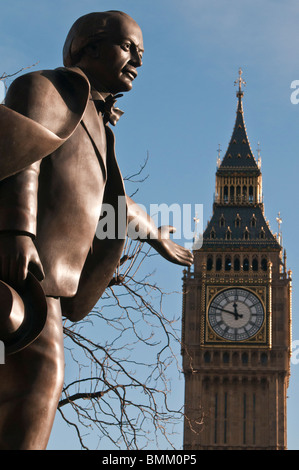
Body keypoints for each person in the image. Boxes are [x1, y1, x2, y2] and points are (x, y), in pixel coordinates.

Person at [0, 11, 193, 450]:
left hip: (48, 282)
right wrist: (17, 232)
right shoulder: (46, 88)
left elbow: (112, 207)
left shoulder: (98, 126)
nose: (137, 63)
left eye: (140, 55)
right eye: (128, 48)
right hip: (25, 262)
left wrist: (156, 236)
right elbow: (19, 154)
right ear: (88, 46)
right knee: (41, 377)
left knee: (38, 379)